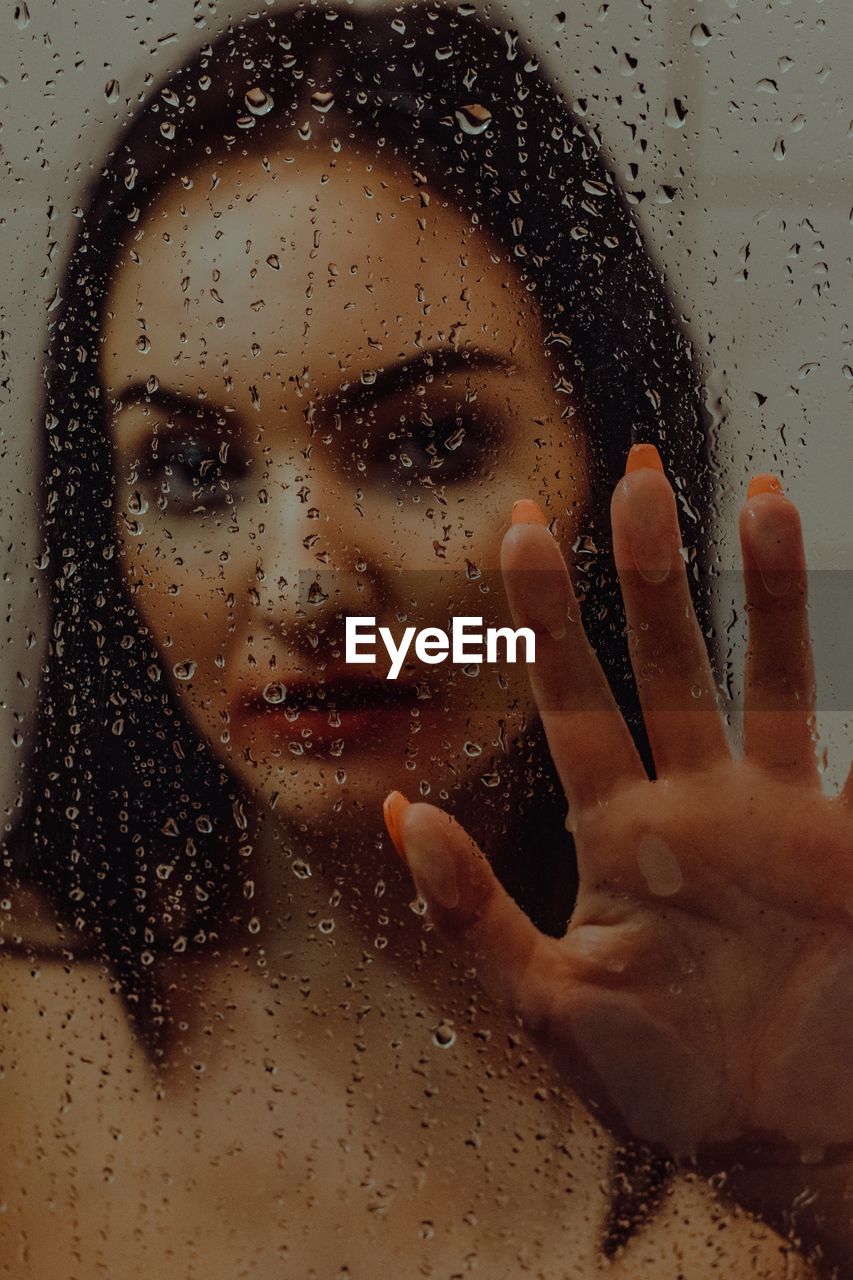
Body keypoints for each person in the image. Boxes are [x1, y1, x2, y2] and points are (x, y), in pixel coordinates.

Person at [0, 3, 846, 1276]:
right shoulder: (21, 1052)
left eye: (427, 441)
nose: (300, 587)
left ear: (605, 461)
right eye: (186, 464)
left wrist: (825, 1192)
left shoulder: (768, 1101)